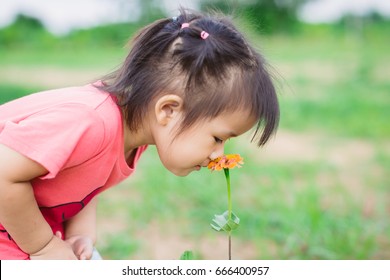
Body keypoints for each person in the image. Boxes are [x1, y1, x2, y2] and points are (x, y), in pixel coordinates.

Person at [0, 8, 279, 260]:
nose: (219, 155)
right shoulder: (90, 122)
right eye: (218, 138)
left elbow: (83, 176)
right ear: (168, 110)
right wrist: (43, 247)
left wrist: (79, 233)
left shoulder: (132, 133)